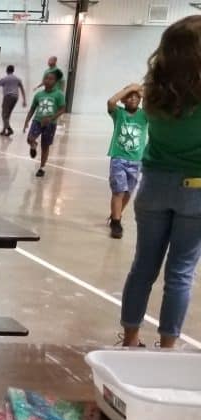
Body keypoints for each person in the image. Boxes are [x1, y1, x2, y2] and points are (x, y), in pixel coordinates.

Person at [120, 15, 201, 349]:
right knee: (180, 273)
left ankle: (130, 338)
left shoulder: (154, 92)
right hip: (196, 190)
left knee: (143, 267)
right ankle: (167, 346)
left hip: (153, 184)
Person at [106, 83, 148, 239]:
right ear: (123, 100)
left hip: (136, 160)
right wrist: (129, 89)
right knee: (119, 191)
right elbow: (111, 102)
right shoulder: (119, 113)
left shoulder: (144, 115)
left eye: (136, 97)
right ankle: (116, 222)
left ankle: (115, 214)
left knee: (128, 192)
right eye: (130, 96)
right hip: (119, 158)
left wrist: (141, 91)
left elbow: (153, 106)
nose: (133, 98)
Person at [23, 70, 66, 177]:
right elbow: (32, 108)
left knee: (45, 146)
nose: (47, 81)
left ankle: (42, 168)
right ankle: (33, 144)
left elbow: (62, 109)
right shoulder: (39, 94)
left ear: (55, 81)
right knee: (30, 138)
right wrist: (27, 121)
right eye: (46, 78)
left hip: (50, 124)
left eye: (50, 79)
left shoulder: (59, 94)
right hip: (37, 120)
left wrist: (51, 118)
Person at [0, 65, 26, 137]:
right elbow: (22, 89)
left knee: (4, 114)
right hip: (15, 97)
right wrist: (24, 100)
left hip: (8, 97)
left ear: (7, 71)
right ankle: (4, 130)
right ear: (13, 71)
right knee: (7, 115)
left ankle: (9, 129)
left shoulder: (4, 79)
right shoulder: (17, 79)